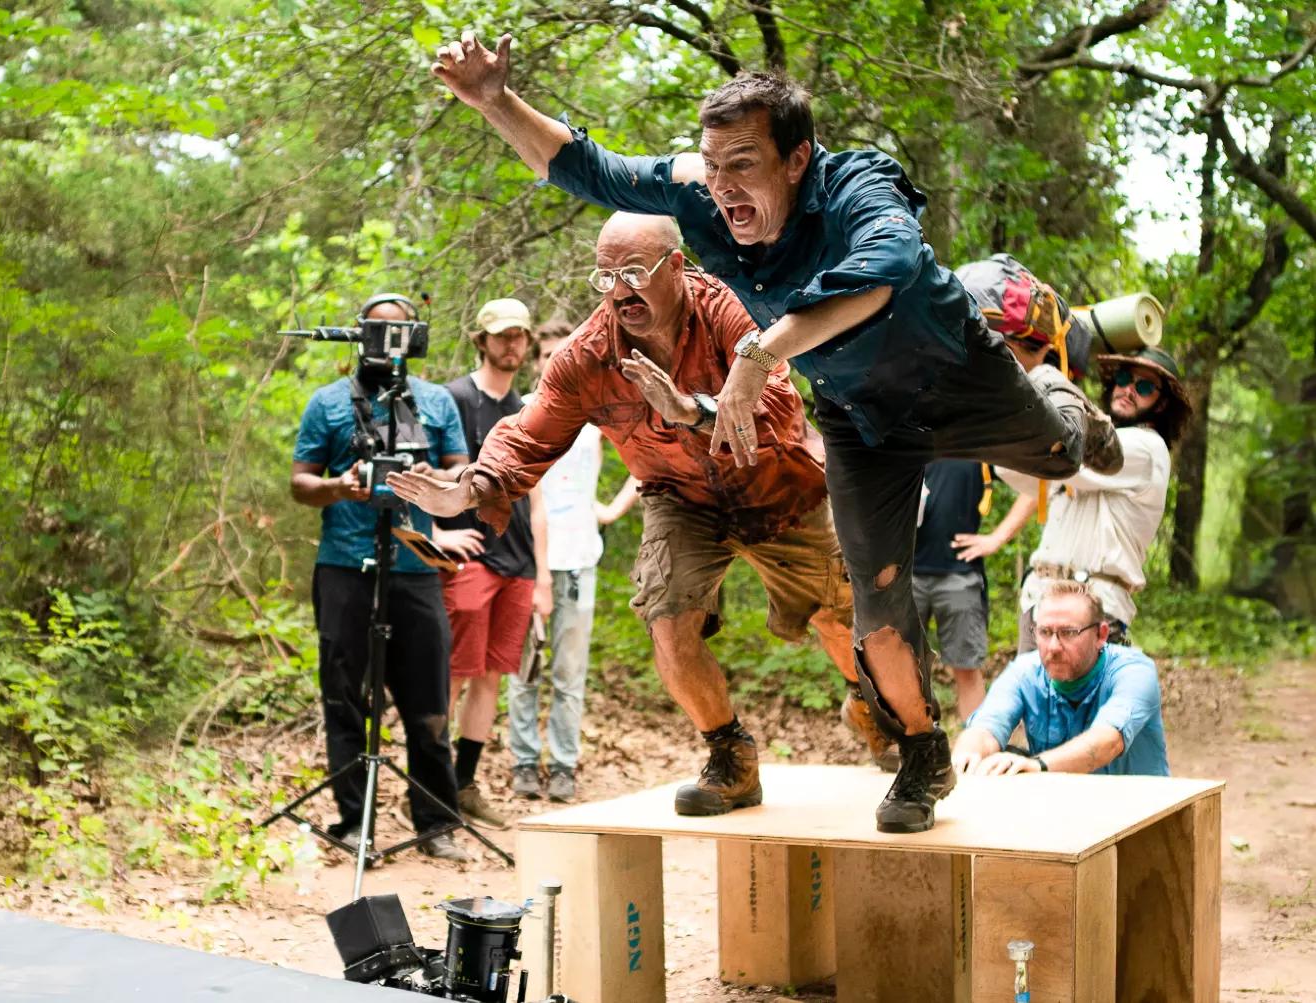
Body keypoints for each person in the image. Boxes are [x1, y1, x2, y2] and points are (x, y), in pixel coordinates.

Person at [427, 33, 1124, 831]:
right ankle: (925, 756)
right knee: (878, 600)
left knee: (1064, 449)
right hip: (864, 421)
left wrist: (760, 353)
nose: (722, 188)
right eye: (711, 164)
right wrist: (494, 101)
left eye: (744, 166)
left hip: (957, 379)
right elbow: (593, 169)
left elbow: (887, 268)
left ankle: (1065, 399)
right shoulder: (696, 198)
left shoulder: (856, 185)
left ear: (797, 160)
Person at [390, 212, 896, 819]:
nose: (618, 291)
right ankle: (730, 757)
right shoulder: (587, 354)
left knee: (836, 619)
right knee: (668, 622)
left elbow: (781, 408)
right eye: (604, 278)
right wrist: (471, 489)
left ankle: (866, 698)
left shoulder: (731, 311)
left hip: (777, 487)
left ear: (676, 268)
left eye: (632, 273)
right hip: (679, 497)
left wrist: (693, 410)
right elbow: (529, 432)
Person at [290, 293, 473, 862]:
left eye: (399, 333)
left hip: (415, 566)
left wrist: (435, 480)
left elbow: (462, 468)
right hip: (345, 563)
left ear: (414, 339)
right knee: (344, 695)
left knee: (428, 698)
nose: (387, 343)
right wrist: (340, 487)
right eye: (377, 331)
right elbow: (300, 481)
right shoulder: (328, 403)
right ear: (359, 335)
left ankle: (436, 823)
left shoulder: (436, 402)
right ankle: (354, 821)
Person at [508, 317, 639, 804]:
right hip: (530, 560)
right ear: (537, 361)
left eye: (561, 352)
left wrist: (610, 508)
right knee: (525, 668)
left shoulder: (597, 413)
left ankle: (563, 765)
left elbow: (641, 460)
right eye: (544, 355)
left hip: (581, 556)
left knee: (569, 671)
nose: (552, 362)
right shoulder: (521, 412)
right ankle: (524, 761)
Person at [436, 297, 550, 831]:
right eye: (502, 335)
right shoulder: (454, 400)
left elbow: (538, 497)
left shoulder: (529, 410)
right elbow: (430, 475)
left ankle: (465, 785)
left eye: (520, 335)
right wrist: (437, 533)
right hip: (470, 556)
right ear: (481, 340)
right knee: (454, 674)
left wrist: (543, 575)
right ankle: (431, 789)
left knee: (490, 680)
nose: (512, 344)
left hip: (519, 564)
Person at [992, 347, 1190, 652]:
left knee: (1080, 702)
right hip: (1038, 601)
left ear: (1162, 404)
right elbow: (1010, 468)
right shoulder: (1076, 447)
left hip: (1092, 607)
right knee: (1030, 702)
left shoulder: (1146, 448)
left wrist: (1046, 377)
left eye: (1145, 387)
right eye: (1125, 378)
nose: (1129, 390)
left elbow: (1066, 461)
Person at [951, 579, 1169, 776]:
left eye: (1069, 633)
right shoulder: (1025, 672)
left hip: (1141, 812)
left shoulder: (1134, 672)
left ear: (1101, 635)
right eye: (1045, 632)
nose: (1053, 647)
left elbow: (1108, 741)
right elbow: (985, 727)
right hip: (1064, 810)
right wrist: (966, 758)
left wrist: (1037, 765)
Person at [911, 460, 1023, 719]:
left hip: (960, 575)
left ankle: (975, 752)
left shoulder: (975, 439)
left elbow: (1036, 483)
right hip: (904, 573)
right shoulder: (906, 435)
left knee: (967, 670)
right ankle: (907, 754)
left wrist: (997, 538)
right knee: (900, 671)